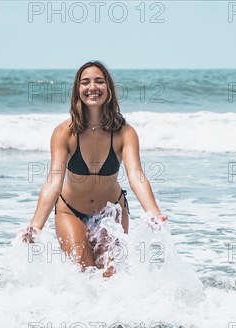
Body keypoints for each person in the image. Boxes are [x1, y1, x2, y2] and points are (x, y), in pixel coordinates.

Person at [21, 61, 167, 277]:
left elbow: (136, 175)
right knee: (84, 272)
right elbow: (53, 181)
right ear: (77, 90)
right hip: (70, 211)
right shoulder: (64, 132)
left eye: (99, 81)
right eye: (85, 82)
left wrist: (153, 212)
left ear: (108, 88)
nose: (92, 87)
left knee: (110, 275)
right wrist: (35, 226)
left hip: (111, 211)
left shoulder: (124, 133)